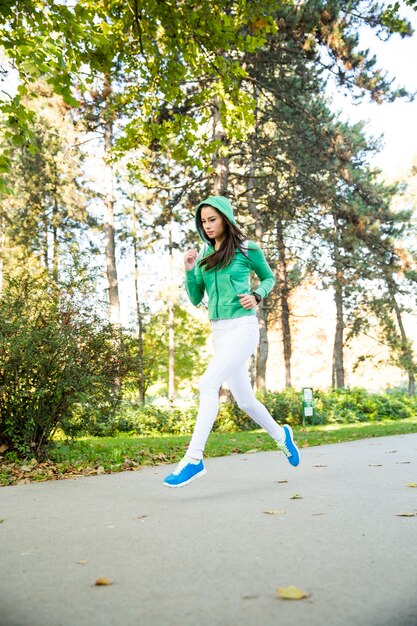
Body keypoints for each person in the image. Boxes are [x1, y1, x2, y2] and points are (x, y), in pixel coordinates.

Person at [163, 195, 300, 488]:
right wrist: (189, 271)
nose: (208, 225)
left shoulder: (246, 248)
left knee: (207, 384)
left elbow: (268, 278)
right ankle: (281, 436)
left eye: (212, 219)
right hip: (220, 332)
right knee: (246, 401)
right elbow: (197, 297)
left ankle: (194, 459)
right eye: (203, 221)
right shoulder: (203, 255)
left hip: (244, 326)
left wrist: (257, 295)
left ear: (226, 218)